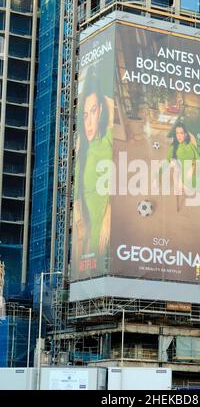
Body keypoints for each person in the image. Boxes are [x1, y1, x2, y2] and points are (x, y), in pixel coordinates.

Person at [73, 67, 114, 272]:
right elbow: (76, 198)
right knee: (86, 270)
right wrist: (80, 223)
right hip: (87, 234)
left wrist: (109, 216)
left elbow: (121, 182)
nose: (89, 122)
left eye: (94, 110)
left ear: (102, 110)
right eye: (85, 114)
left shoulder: (108, 141)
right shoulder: (82, 154)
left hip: (104, 228)